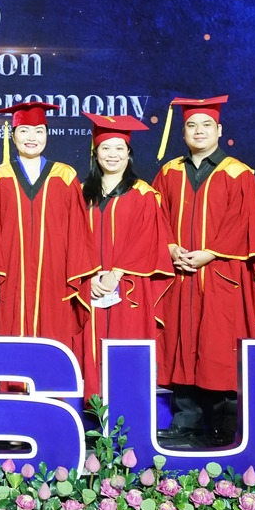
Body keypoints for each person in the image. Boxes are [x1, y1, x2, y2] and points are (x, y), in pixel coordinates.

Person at [152, 95, 255, 446]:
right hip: (180, 273)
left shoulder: (238, 173)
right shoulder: (170, 172)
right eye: (191, 125)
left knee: (220, 346)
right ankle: (186, 419)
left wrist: (210, 253)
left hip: (221, 274)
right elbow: (157, 217)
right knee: (182, 340)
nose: (199, 131)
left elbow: (244, 222)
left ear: (219, 130)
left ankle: (223, 421)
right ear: (183, 132)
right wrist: (170, 247)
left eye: (206, 125)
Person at [72, 114, 173, 407]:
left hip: (129, 287)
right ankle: (93, 413)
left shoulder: (144, 194)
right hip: (89, 287)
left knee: (126, 346)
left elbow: (148, 239)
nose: (112, 154)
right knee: (90, 346)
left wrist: (115, 274)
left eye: (119, 148)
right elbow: (72, 239)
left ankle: (127, 415)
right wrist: (89, 276)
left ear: (129, 153)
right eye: (105, 148)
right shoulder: (80, 193)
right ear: (95, 153)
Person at [0, 101, 86, 355]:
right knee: (10, 336)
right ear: (13, 136)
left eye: (39, 131)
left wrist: (73, 273)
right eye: (24, 131)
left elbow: (77, 231)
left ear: (47, 135)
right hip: (9, 274)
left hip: (54, 274)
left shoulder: (65, 176)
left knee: (53, 336)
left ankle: (51, 382)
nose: (31, 137)